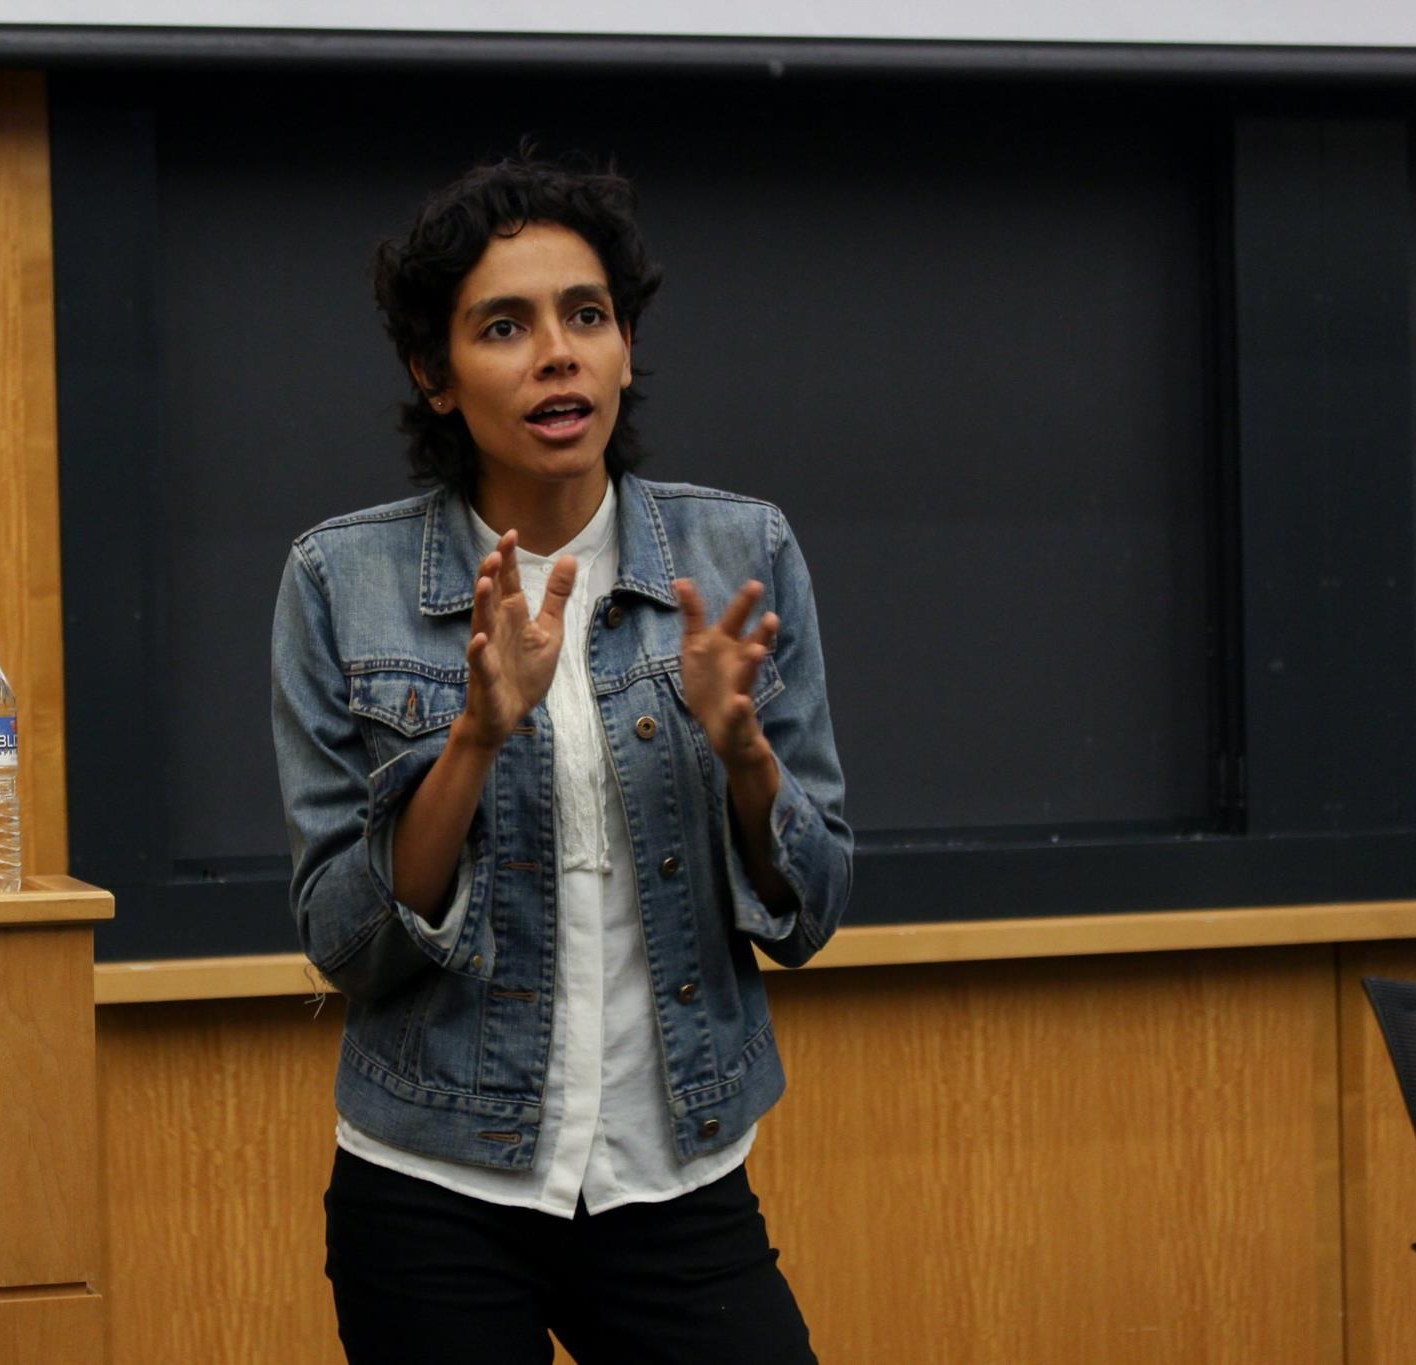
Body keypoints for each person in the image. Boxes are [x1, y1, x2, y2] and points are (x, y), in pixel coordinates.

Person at [269, 151, 853, 1364]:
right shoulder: (340, 580)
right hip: (432, 1186)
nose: (556, 354)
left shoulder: (739, 554)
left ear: (624, 348)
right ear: (434, 375)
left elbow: (813, 912)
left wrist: (743, 756)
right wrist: (473, 741)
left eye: (586, 316)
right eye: (503, 326)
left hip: (673, 1175)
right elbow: (345, 942)